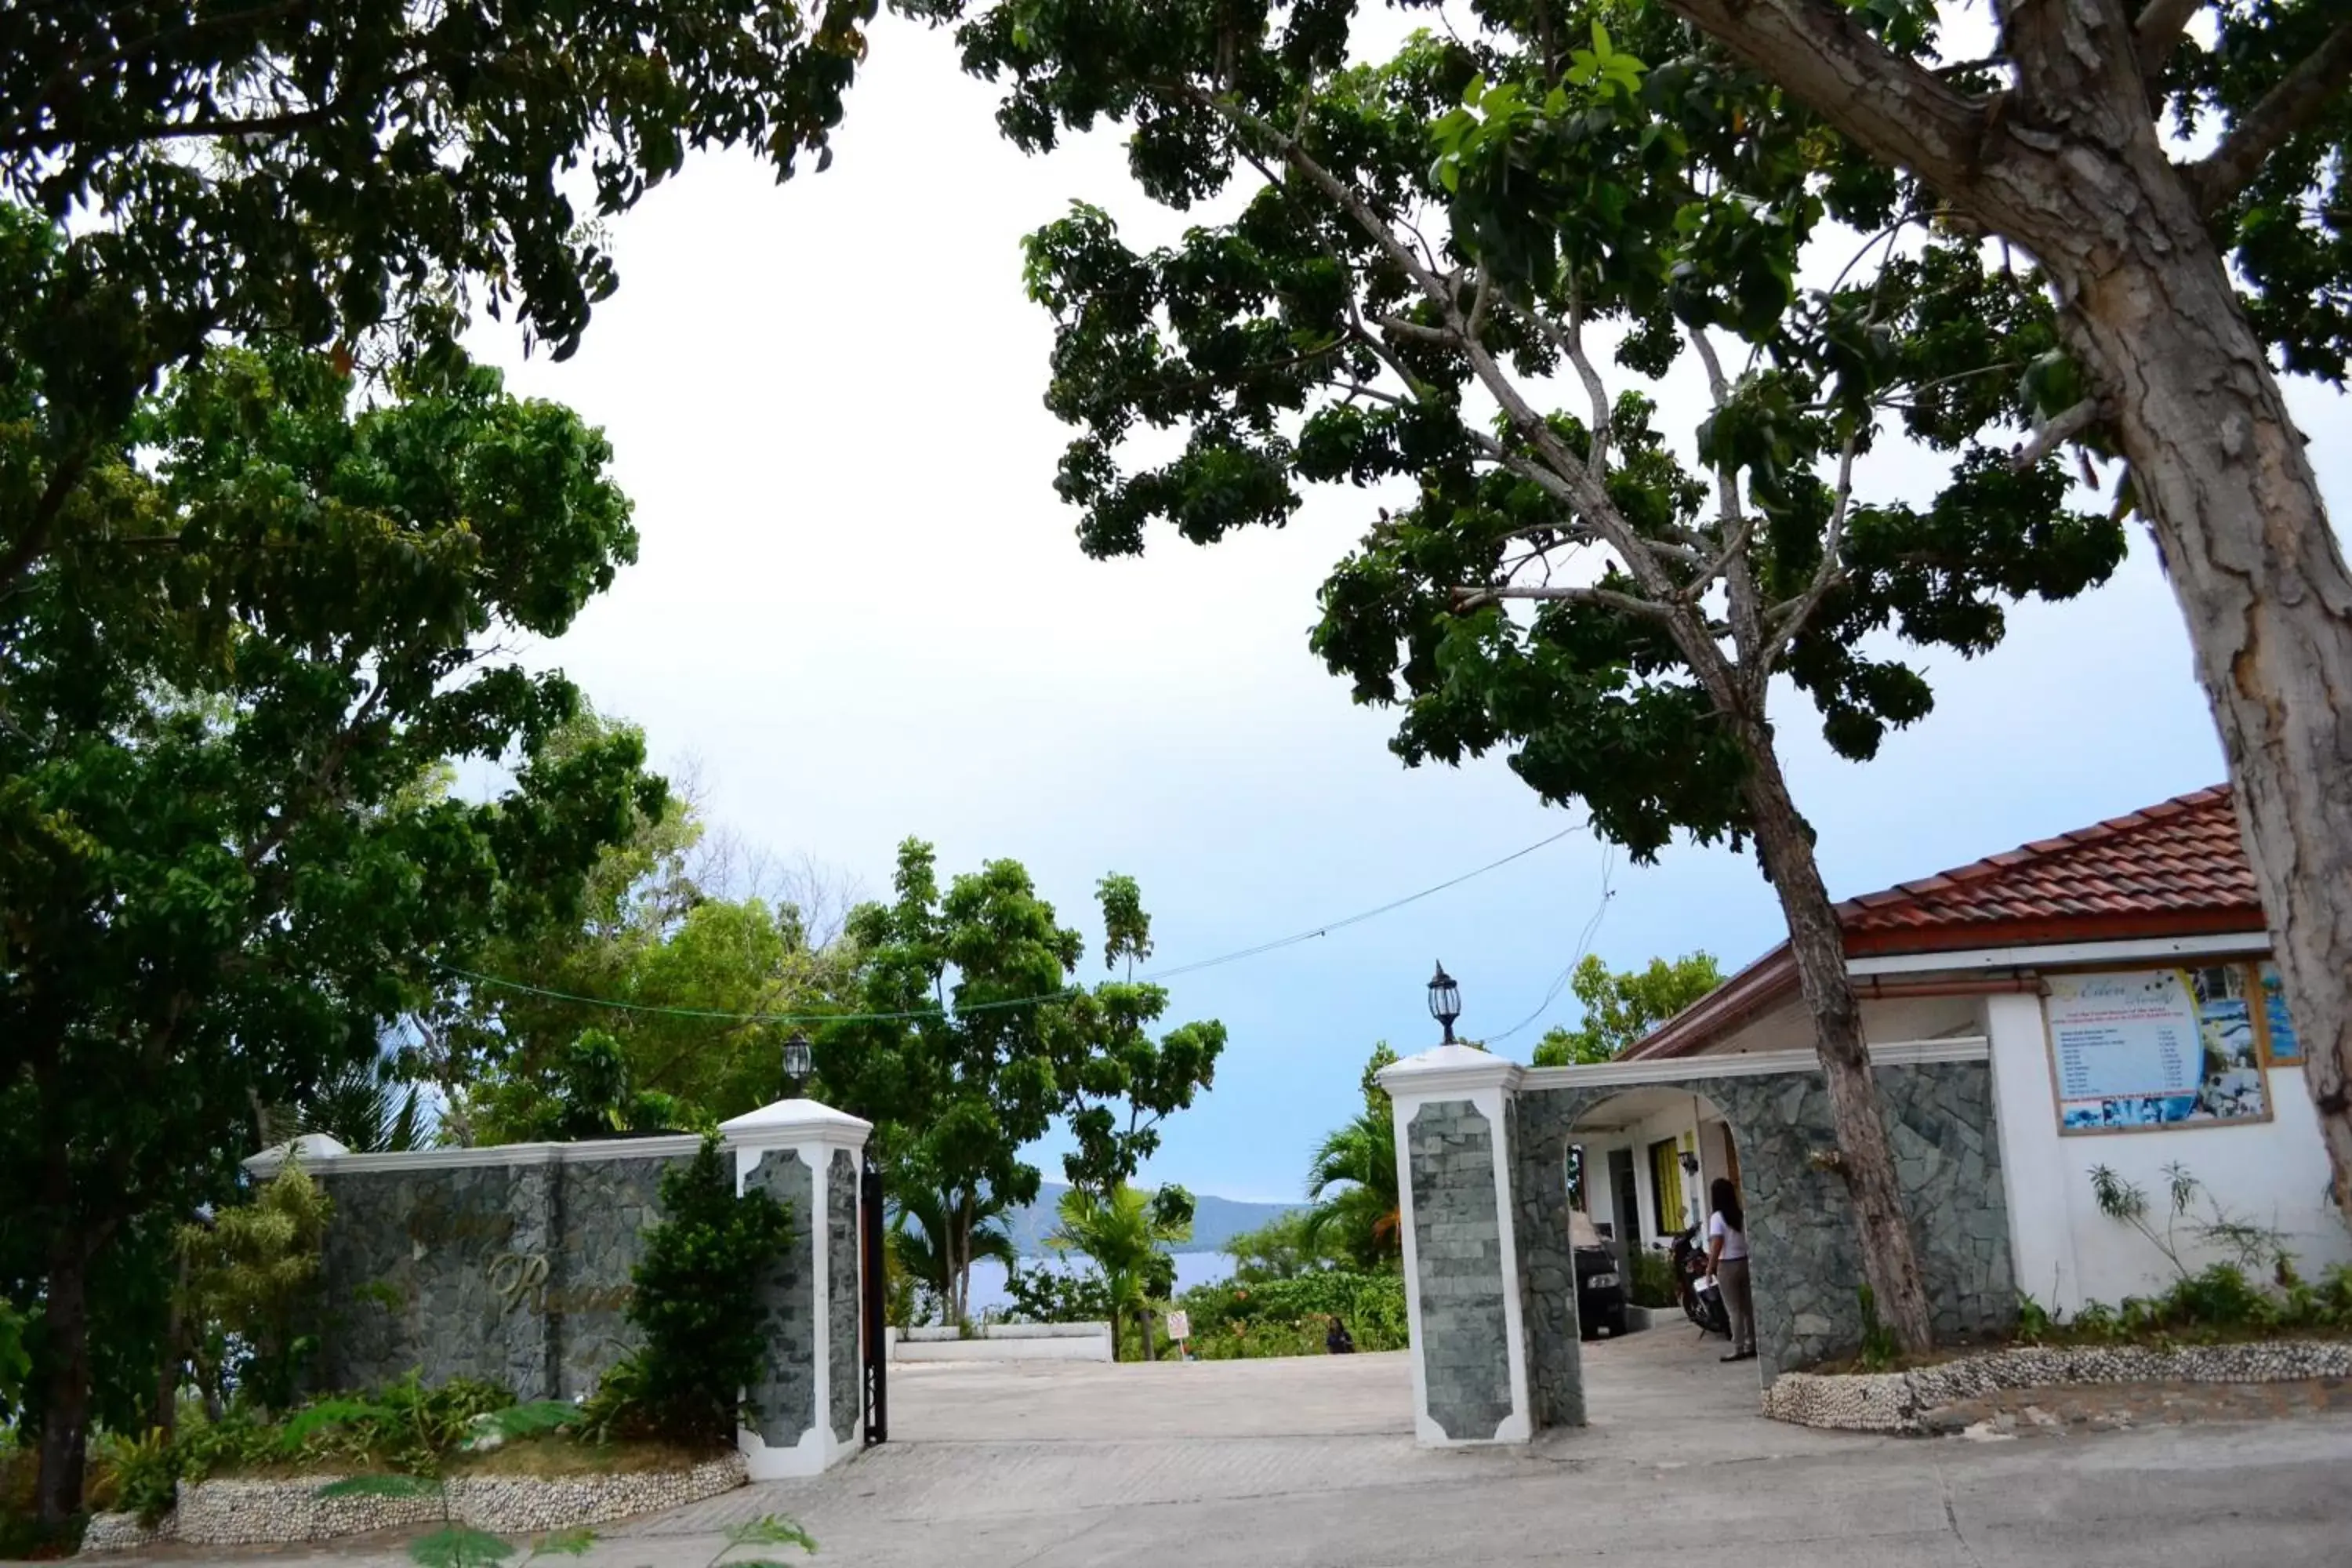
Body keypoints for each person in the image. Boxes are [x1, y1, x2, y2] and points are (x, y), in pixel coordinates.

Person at [1704, 1177, 1755, 1362]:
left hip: (1727, 1265)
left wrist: (1710, 1269)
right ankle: (1752, 1343)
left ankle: (1738, 1347)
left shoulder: (1717, 1218)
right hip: (1744, 1262)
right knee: (1748, 1307)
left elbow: (1717, 1244)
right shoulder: (1739, 1214)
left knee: (1734, 1309)